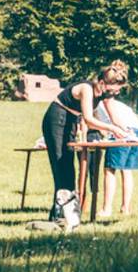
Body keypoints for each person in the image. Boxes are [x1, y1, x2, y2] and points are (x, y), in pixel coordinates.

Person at [41, 60, 129, 219]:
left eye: (117, 91)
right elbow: (88, 119)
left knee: (69, 168)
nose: (114, 94)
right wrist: (112, 129)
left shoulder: (105, 94)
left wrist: (124, 129)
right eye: (113, 90)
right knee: (61, 165)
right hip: (56, 118)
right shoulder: (86, 89)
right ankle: (59, 215)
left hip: (70, 121)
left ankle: (63, 214)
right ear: (102, 83)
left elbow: (114, 117)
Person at [95, 99, 138, 216]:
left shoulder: (96, 102)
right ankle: (125, 208)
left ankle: (107, 209)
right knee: (126, 170)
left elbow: (96, 122)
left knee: (110, 170)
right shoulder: (115, 102)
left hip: (121, 130)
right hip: (136, 129)